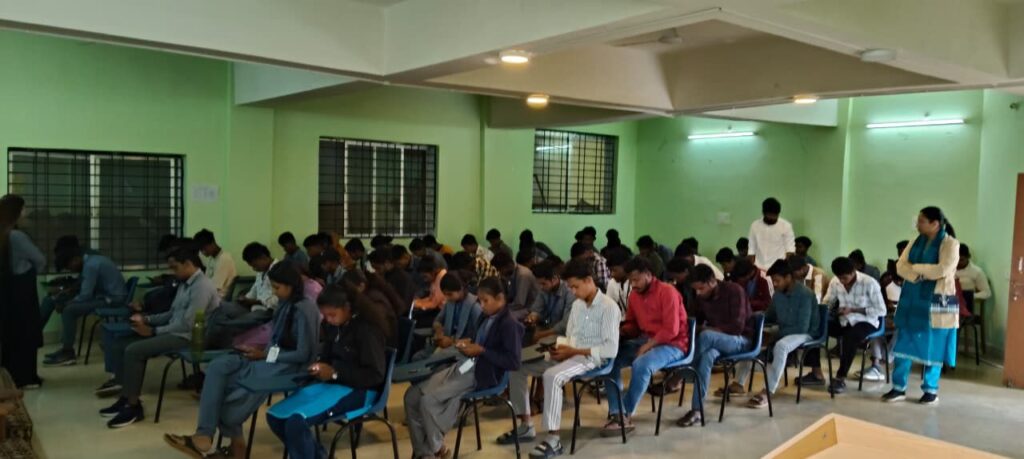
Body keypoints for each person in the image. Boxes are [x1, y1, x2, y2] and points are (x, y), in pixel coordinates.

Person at [164, 262, 319, 455]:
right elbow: (275, 340)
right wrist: (259, 352)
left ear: (291, 286)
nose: (274, 292)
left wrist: (264, 355)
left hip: (289, 367)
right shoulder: (284, 304)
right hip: (269, 359)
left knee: (229, 394)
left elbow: (304, 354)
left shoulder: (305, 309)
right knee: (217, 367)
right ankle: (204, 435)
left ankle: (233, 446)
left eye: (277, 288)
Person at [500, 259, 621, 457]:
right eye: (570, 287)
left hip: (593, 359)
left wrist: (572, 352)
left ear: (589, 280)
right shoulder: (578, 306)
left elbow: (610, 350)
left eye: (575, 286)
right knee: (516, 367)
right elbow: (571, 336)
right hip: (571, 353)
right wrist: (559, 348)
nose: (573, 291)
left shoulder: (609, 307)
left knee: (552, 376)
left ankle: (554, 440)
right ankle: (526, 425)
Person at [99, 246, 220, 427]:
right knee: (122, 343)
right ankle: (125, 397)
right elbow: (171, 314)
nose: (173, 272)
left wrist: (153, 331)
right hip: (175, 331)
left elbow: (189, 324)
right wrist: (146, 319)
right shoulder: (185, 284)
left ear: (188, 264)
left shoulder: (202, 287)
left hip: (190, 338)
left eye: (175, 267)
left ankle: (133, 406)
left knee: (134, 350)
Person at [404, 277, 524, 459]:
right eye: (480, 300)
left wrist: (482, 350)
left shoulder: (509, 324)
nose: (481, 305)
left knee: (428, 401)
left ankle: (436, 449)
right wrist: (468, 343)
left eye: (485, 301)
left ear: (500, 298)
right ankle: (425, 452)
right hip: (466, 365)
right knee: (412, 397)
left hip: (484, 374)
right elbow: (478, 340)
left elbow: (513, 362)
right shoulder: (486, 316)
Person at [265, 285, 388, 459]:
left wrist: (335, 373)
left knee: (296, 422)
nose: (328, 320)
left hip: (362, 390)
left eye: (332, 315)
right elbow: (328, 357)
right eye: (325, 315)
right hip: (334, 385)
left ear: (347, 308)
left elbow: (375, 375)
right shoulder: (334, 326)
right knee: (275, 416)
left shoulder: (366, 330)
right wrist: (319, 367)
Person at [883, 207, 961, 405]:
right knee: (904, 343)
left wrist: (915, 268)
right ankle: (898, 387)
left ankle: (930, 390)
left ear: (935, 224)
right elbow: (900, 266)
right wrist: (919, 274)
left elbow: (942, 269)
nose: (917, 224)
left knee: (934, 345)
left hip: (937, 302)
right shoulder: (914, 242)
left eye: (921, 221)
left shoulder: (951, 244)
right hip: (912, 299)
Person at [604, 257, 688, 435]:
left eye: (636, 280)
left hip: (673, 344)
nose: (633, 285)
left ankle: (625, 414)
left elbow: (671, 330)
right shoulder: (634, 295)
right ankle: (616, 411)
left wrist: (647, 346)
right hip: (646, 340)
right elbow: (633, 325)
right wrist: (620, 332)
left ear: (649, 275)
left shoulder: (667, 292)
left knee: (641, 364)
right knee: (609, 357)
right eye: (630, 281)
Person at [798, 257, 886, 394]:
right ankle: (816, 373)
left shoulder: (869, 283)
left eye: (845, 278)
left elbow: (881, 310)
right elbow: (827, 301)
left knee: (850, 337)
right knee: (815, 328)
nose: (842, 281)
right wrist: (829, 310)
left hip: (867, 321)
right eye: (840, 278)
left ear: (853, 272)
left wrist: (854, 310)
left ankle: (840, 378)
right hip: (844, 320)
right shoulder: (835, 281)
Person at [676, 264, 750, 428]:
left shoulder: (734, 291)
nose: (698, 293)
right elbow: (693, 321)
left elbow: (737, 327)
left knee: (707, 336)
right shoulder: (701, 297)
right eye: (696, 290)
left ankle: (678, 376)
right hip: (716, 342)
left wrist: (707, 330)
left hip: (741, 340)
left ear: (712, 281)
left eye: (701, 288)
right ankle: (697, 410)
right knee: (706, 357)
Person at [737, 260, 817, 408]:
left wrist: (774, 335)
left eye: (777, 280)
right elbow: (770, 316)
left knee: (781, 346)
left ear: (788, 278)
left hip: (804, 333)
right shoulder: (778, 294)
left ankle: (767, 391)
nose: (774, 284)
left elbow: (802, 327)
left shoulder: (806, 294)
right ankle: (739, 384)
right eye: (773, 280)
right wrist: (754, 319)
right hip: (783, 330)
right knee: (752, 337)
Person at [42, 244, 127, 366]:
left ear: (75, 259)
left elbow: (85, 295)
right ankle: (65, 348)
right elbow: (83, 288)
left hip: (113, 300)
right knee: (60, 303)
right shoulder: (91, 261)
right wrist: (65, 295)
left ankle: (68, 352)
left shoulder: (90, 266)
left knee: (69, 310)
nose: (71, 270)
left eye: (69, 267)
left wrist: (66, 303)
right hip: (104, 296)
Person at [0, 195, 45, 388]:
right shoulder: (17, 236)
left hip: (5, 291)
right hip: (22, 290)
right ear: (16, 212)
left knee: (9, 333)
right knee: (26, 332)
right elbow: (40, 260)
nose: (25, 213)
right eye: (23, 209)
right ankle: (26, 378)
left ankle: (10, 377)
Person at [205, 242, 279, 349]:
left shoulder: (278, 270)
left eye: (254, 265)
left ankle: (218, 347)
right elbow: (254, 291)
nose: (254, 269)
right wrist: (244, 299)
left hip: (266, 311)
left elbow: (277, 300)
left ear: (263, 257)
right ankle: (209, 342)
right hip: (252, 306)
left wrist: (257, 301)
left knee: (231, 325)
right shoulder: (261, 272)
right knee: (219, 307)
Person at [414, 272, 482, 361]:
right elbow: (438, 320)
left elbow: (478, 338)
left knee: (434, 359)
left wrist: (452, 342)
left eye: (449, 294)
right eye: (445, 294)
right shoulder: (450, 302)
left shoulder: (474, 307)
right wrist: (438, 331)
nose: (447, 298)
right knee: (417, 357)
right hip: (445, 342)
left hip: (462, 348)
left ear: (461, 289)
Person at [340, 269, 402, 340]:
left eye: (350, 290)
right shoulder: (366, 296)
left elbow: (376, 324)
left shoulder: (374, 299)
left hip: (382, 340)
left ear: (361, 286)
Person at [525, 260, 575, 344]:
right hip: (546, 327)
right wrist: (532, 317)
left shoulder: (569, 292)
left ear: (554, 279)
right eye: (539, 284)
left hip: (562, 333)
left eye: (543, 284)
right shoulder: (545, 290)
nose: (541, 287)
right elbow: (536, 309)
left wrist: (541, 334)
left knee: (539, 341)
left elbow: (564, 324)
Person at [747, 197, 795, 271]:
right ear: (764, 213)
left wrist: (784, 270)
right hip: (758, 268)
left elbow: (790, 251)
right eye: (770, 215)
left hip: (778, 269)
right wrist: (752, 269)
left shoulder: (786, 226)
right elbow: (751, 250)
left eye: (775, 215)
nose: (773, 218)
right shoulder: (755, 225)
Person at [491, 251, 540, 320]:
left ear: (508, 265)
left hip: (530, 309)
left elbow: (520, 303)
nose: (500, 272)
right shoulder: (510, 274)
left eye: (500, 270)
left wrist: (502, 309)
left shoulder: (523, 275)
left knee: (503, 317)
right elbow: (509, 296)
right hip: (520, 306)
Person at [194, 229, 238, 299]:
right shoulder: (211, 259)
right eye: (200, 250)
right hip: (210, 295)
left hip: (219, 297)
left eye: (203, 248)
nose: (202, 252)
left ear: (212, 243)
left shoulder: (225, 259)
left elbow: (215, 287)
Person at [955, 243, 990, 313]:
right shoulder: (949, 269)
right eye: (956, 259)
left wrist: (969, 296)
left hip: (965, 306)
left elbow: (987, 293)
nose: (958, 262)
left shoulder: (976, 272)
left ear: (968, 257)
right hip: (947, 303)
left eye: (961, 260)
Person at [604, 247, 632, 314]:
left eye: (614, 270)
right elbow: (608, 307)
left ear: (625, 266)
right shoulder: (612, 283)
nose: (612, 274)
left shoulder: (635, 283)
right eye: (610, 270)